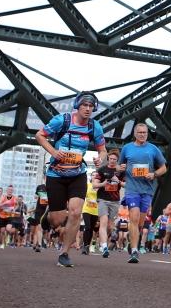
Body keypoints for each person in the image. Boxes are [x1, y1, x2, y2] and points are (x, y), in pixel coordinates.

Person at [34, 91, 107, 267]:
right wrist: (53, 152)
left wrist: (100, 158)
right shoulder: (62, 120)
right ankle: (49, 217)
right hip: (56, 174)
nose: (88, 109)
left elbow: (103, 150)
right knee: (57, 220)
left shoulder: (94, 126)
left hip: (77, 174)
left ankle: (64, 253)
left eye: (91, 106)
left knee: (75, 212)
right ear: (77, 106)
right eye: (85, 105)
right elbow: (39, 135)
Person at [119, 122, 167, 263]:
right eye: (140, 132)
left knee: (140, 223)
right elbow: (119, 166)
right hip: (132, 189)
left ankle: (132, 241)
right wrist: (120, 168)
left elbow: (164, 168)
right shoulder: (127, 148)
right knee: (133, 218)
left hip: (147, 190)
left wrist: (154, 174)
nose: (142, 135)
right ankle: (135, 251)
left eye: (144, 132)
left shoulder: (153, 149)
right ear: (135, 133)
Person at [93, 148, 125, 258]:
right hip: (102, 199)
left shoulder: (121, 171)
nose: (112, 161)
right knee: (103, 222)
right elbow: (94, 185)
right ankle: (104, 246)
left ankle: (103, 242)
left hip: (115, 201)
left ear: (117, 160)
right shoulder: (102, 169)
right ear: (108, 158)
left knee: (110, 226)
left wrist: (118, 181)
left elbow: (126, 185)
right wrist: (103, 184)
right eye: (110, 159)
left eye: (114, 159)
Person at [80, 178, 99, 255]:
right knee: (87, 227)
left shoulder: (100, 187)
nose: (95, 177)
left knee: (91, 229)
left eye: (96, 176)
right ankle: (85, 246)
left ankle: (87, 246)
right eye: (93, 176)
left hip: (95, 211)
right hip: (86, 209)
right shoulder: (88, 185)